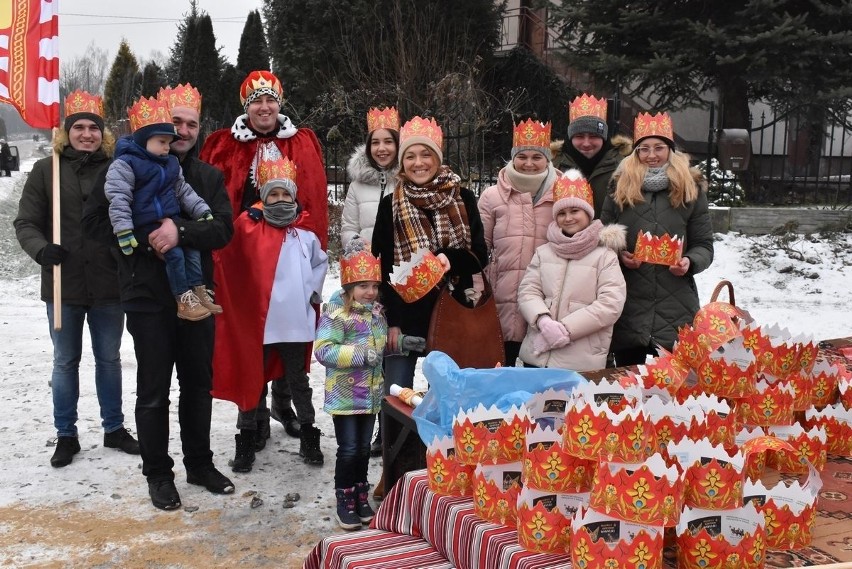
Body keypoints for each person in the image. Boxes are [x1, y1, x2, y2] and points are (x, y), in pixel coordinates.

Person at [83, 83, 236, 510]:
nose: (182, 131)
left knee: (197, 385)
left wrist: (180, 230)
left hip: (196, 293)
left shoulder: (205, 176)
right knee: (153, 388)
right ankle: (158, 473)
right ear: (157, 126)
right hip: (146, 293)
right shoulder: (123, 167)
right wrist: (142, 239)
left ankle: (200, 464)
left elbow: (223, 227)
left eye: (190, 124)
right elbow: (94, 221)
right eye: (176, 123)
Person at [200, 70, 329, 449]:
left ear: (279, 104)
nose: (264, 107)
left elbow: (315, 199)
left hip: (289, 251)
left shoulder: (301, 143)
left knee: (288, 337)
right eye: (256, 100)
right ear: (247, 107)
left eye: (270, 99)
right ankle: (253, 416)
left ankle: (283, 404)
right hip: (245, 256)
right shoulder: (224, 145)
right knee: (251, 337)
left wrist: (312, 254)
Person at [14, 90, 139, 468]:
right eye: (79, 127)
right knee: (65, 361)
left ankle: (114, 427)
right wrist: (40, 249)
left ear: (104, 134)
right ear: (66, 132)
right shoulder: (46, 170)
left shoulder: (118, 167)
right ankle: (66, 435)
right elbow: (26, 222)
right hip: (63, 283)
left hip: (108, 284)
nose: (87, 134)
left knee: (109, 359)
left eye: (93, 128)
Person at [211, 153, 328, 473]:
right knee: (253, 381)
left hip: (293, 323)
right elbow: (228, 260)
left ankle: (308, 434)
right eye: (272, 194)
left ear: (294, 196)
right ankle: (247, 438)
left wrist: (313, 292)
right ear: (262, 196)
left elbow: (321, 263)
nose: (279, 199)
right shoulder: (247, 227)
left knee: (298, 382)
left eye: (285, 193)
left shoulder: (304, 233)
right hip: (257, 325)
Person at [371, 115, 488, 399]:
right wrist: (393, 321)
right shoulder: (391, 204)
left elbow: (480, 256)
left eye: (426, 154)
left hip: (452, 309)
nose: (418, 162)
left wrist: (450, 258)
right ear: (402, 162)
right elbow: (382, 264)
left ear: (437, 158)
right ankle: (388, 441)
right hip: (405, 310)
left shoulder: (464, 198)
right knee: (395, 392)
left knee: (447, 393)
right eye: (410, 156)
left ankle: (439, 442)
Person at [600, 112, 714, 366]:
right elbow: (603, 236)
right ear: (636, 152)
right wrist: (619, 256)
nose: (651, 155)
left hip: (676, 305)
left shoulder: (689, 190)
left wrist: (689, 262)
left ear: (670, 150)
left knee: (673, 391)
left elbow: (704, 245)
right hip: (629, 304)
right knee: (628, 384)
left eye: (659, 148)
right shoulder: (619, 187)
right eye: (644, 149)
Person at [104, 95, 219, 322]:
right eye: (162, 142)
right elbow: (118, 199)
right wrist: (125, 231)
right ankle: (182, 297)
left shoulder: (172, 165)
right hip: (145, 226)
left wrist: (201, 211)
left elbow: (184, 192)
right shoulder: (124, 165)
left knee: (192, 252)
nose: (168, 147)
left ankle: (198, 290)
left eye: (169, 142)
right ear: (145, 140)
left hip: (171, 218)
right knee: (175, 255)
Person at [517, 170, 627, 370]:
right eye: (561, 213)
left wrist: (565, 330)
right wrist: (543, 321)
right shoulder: (544, 253)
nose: (568, 218)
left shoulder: (605, 255)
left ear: (588, 213)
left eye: (575, 211)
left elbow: (610, 304)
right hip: (537, 357)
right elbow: (528, 292)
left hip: (580, 361)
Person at [314, 238, 386, 530]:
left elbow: (380, 348)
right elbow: (324, 350)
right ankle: (344, 499)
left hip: (370, 396)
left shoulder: (377, 314)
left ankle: (360, 494)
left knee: (364, 449)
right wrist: (359, 355)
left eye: (374, 286)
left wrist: (401, 343)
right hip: (345, 396)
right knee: (349, 448)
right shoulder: (336, 313)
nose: (370, 292)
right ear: (348, 287)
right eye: (362, 286)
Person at [477, 119, 560, 366]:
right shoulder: (493, 196)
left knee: (538, 384)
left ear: (547, 160)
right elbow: (480, 246)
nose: (529, 163)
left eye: (537, 157)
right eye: (522, 156)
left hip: (546, 300)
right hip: (502, 296)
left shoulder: (562, 193)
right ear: (513, 158)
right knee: (500, 370)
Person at [554, 94, 632, 218]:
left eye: (593, 136)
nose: (586, 143)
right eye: (579, 136)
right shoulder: (554, 166)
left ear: (604, 138)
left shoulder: (623, 167)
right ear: (570, 138)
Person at [340, 107, 400, 245]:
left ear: (397, 145)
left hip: (403, 263)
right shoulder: (356, 186)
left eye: (388, 141)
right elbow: (349, 228)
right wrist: (357, 244)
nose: (381, 148)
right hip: (368, 263)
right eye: (375, 142)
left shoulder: (407, 181)